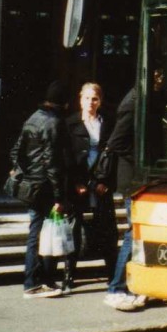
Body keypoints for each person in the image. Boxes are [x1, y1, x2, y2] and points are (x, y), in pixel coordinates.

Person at [9, 81, 70, 298]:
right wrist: (58, 196)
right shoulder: (53, 123)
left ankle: (38, 280)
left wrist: (22, 171)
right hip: (44, 187)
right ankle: (35, 282)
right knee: (42, 234)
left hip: (32, 185)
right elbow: (53, 163)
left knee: (38, 232)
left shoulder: (33, 118)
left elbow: (16, 151)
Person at [65, 82, 117, 294]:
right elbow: (66, 157)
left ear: (100, 101)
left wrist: (107, 182)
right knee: (73, 229)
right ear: (80, 99)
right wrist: (75, 183)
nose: (90, 102)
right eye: (87, 98)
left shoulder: (107, 124)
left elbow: (114, 155)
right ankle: (69, 275)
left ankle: (112, 274)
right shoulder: (70, 124)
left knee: (107, 229)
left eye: (94, 98)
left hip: (101, 183)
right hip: (79, 184)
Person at [100, 85, 146, 311]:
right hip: (133, 181)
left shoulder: (138, 99)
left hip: (138, 180)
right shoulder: (133, 103)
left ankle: (130, 286)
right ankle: (116, 287)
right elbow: (116, 142)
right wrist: (139, 159)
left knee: (137, 231)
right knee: (133, 231)